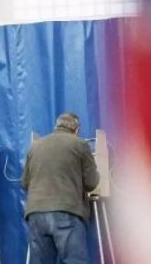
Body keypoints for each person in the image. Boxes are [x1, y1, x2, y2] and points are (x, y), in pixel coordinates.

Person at [22, 112, 99, 264]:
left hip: (36, 214)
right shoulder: (80, 144)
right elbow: (91, 182)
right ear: (76, 129)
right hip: (66, 211)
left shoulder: (35, 146)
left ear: (56, 127)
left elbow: (25, 183)